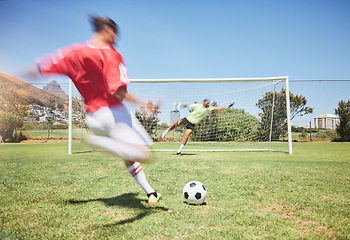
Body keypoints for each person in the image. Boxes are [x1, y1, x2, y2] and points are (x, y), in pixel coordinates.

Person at [23, 16, 161, 205]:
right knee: (144, 154)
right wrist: (144, 102)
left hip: (94, 119)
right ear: (107, 29)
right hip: (113, 113)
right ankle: (99, 142)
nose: (116, 38)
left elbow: (41, 66)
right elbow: (117, 91)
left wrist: (15, 73)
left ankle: (150, 192)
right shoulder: (111, 54)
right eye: (115, 33)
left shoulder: (73, 52)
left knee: (127, 154)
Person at [162, 99, 233, 155]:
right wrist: (181, 105)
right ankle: (165, 132)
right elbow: (188, 105)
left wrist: (227, 107)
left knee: (186, 136)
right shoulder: (197, 105)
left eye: (208, 103)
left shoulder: (208, 108)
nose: (208, 104)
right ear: (204, 102)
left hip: (192, 124)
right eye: (207, 103)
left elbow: (218, 108)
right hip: (187, 119)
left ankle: (179, 151)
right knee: (175, 124)